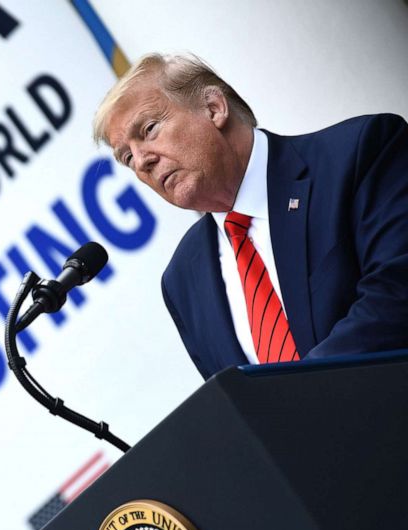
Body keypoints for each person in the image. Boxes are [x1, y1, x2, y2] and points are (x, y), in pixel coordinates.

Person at [91, 53, 408, 379]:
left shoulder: (358, 153)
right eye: (127, 157)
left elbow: (395, 295)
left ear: (214, 108)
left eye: (150, 128)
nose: (142, 162)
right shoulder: (182, 279)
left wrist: (298, 398)